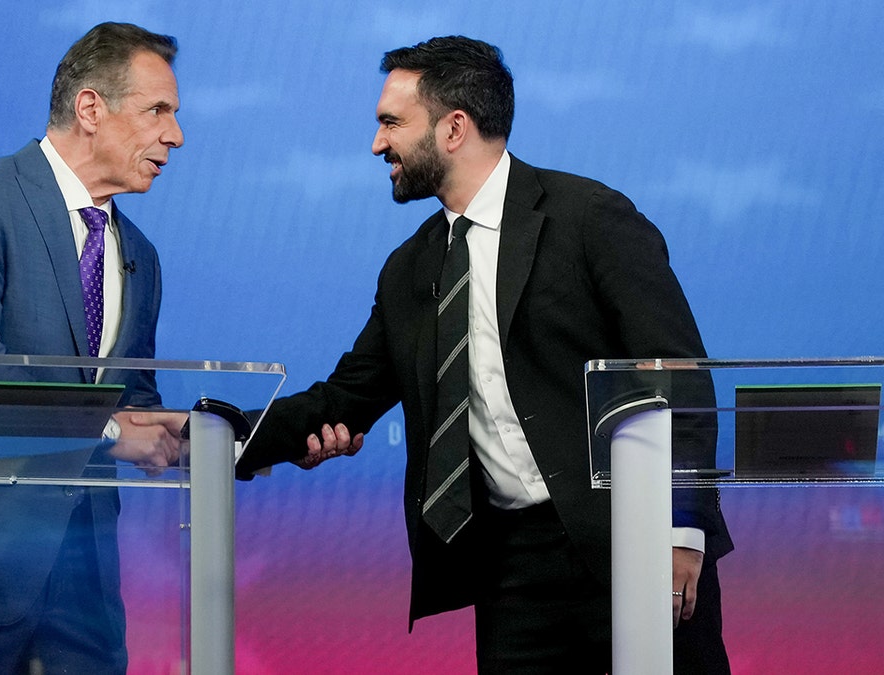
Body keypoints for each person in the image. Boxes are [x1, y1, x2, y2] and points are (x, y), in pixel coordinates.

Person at [236, 36, 733, 674]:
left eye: (391, 122)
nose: (376, 144)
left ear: (454, 128)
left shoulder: (589, 218)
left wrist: (681, 530)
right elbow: (345, 399)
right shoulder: (409, 269)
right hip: (510, 570)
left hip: (636, 546)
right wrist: (225, 434)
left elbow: (678, 376)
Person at [0, 22, 186, 674]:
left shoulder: (139, 254)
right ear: (91, 107)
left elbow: (135, 397)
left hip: (86, 589)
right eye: (158, 111)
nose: (175, 135)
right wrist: (115, 429)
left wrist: (214, 435)